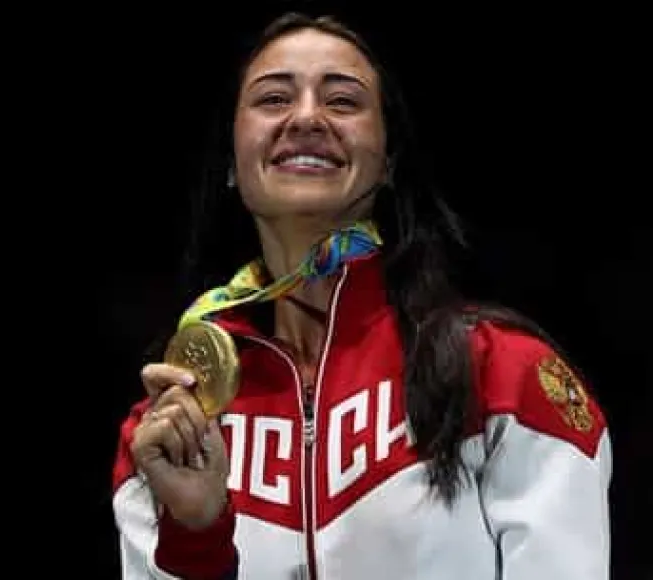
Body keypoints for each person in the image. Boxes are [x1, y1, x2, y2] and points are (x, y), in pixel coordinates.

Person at [111, 11, 612, 580]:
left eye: (343, 101)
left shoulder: (501, 374)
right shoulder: (171, 427)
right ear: (231, 160)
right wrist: (196, 539)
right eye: (273, 99)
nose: (306, 118)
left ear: (389, 160)